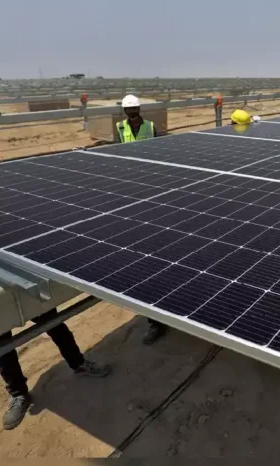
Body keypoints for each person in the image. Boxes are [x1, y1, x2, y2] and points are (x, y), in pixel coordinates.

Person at [0, 244, 110, 430]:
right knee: (1, 349)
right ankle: (18, 394)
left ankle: (78, 363)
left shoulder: (8, 243)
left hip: (23, 290)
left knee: (54, 325)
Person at [112, 94, 169, 343]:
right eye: (128, 111)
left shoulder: (151, 127)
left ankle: (157, 318)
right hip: (130, 185)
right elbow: (116, 151)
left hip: (152, 185)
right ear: (125, 112)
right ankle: (154, 318)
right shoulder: (119, 128)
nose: (132, 114)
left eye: (135, 110)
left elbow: (165, 150)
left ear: (139, 109)